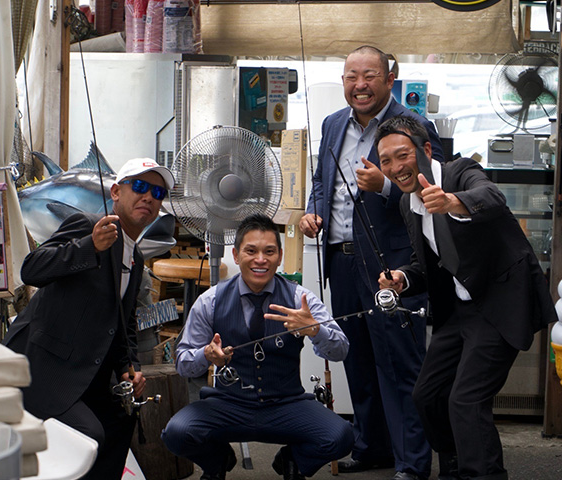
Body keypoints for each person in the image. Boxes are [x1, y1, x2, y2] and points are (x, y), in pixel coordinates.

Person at [376, 115, 557, 480]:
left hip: (499, 301)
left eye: (402, 155)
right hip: (459, 309)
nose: (395, 168)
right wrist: (401, 280)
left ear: (426, 150)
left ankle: (484, 474)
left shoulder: (460, 172)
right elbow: (424, 265)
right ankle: (455, 467)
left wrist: (452, 201)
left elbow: (492, 197)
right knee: (427, 395)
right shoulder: (407, 205)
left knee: (466, 399)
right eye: (386, 161)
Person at [299, 45, 442, 480]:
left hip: (391, 266)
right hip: (340, 260)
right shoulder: (332, 123)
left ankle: (412, 462)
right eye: (351, 76)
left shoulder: (413, 126)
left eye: (369, 76)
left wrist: (384, 185)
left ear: (389, 79)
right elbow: (321, 181)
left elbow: (432, 191)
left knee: (399, 363)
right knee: (357, 360)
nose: (359, 85)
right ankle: (372, 447)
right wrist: (312, 211)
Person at [4, 158, 175, 479]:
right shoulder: (87, 225)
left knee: (123, 419)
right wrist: (89, 246)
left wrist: (130, 368)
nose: (148, 197)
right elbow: (32, 269)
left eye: (157, 193)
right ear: (116, 192)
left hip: (87, 372)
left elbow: (124, 324)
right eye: (140, 186)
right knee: (89, 435)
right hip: (42, 367)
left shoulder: (136, 258)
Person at [161, 213, 354, 480]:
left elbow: (341, 350)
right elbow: (182, 363)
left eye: (269, 252)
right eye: (251, 251)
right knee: (176, 433)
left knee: (341, 437)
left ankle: (291, 460)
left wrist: (315, 329)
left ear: (280, 256)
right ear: (236, 255)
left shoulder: (301, 298)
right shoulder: (210, 300)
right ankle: (218, 461)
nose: (260, 259)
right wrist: (205, 355)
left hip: (286, 404)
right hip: (228, 404)